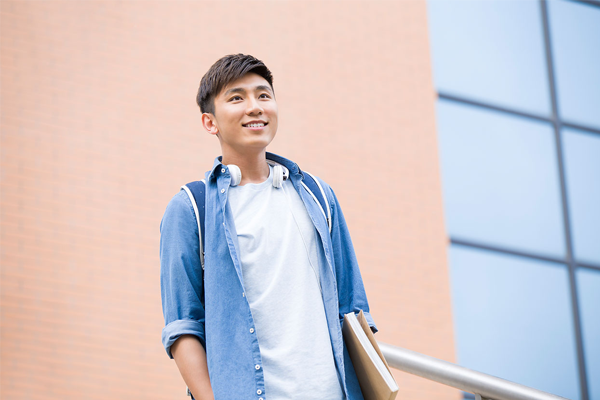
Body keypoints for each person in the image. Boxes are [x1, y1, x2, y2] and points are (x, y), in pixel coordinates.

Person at [160, 53, 377, 400]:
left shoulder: (318, 197)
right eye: (236, 98)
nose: (255, 107)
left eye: (263, 95)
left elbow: (353, 309)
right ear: (209, 122)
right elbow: (183, 328)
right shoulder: (191, 208)